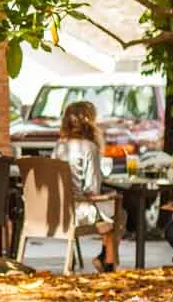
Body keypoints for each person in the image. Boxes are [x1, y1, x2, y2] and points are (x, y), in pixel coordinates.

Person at [51, 99, 122, 272]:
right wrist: (110, 195)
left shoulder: (59, 146)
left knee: (110, 211)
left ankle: (106, 259)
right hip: (78, 210)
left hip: (56, 209)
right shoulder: (89, 147)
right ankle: (107, 261)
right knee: (119, 210)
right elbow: (92, 190)